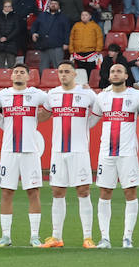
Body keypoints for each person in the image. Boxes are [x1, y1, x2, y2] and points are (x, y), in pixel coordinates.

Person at [36, 60, 100, 249]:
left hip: (79, 150)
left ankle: (87, 237)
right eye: (61, 72)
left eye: (67, 71)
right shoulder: (52, 95)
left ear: (75, 74)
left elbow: (97, 113)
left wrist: (84, 129)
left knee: (83, 191)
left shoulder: (87, 93)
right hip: (58, 150)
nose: (63, 75)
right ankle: (56, 237)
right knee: (57, 191)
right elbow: (45, 115)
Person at [92, 63, 139, 249]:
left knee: (130, 192)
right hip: (106, 153)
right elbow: (91, 121)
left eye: (119, 71)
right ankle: (105, 238)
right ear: (109, 76)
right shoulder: (102, 97)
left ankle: (127, 238)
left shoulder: (137, 96)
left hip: (128, 153)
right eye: (112, 71)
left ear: (126, 76)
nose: (115, 74)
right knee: (105, 192)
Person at [0, 64, 47, 247]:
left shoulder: (36, 94)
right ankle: (5, 236)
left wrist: (37, 120)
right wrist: (4, 126)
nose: (18, 74)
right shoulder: (2, 95)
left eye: (22, 72)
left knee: (33, 192)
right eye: (15, 71)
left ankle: (34, 236)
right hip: (9, 150)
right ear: (11, 76)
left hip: (30, 151)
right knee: (6, 192)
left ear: (28, 76)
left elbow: (51, 106)